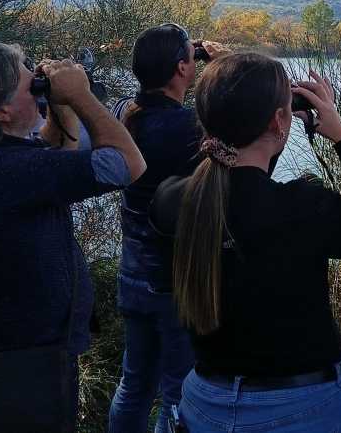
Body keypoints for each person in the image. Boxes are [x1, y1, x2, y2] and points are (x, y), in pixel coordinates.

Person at [149, 53, 341, 433]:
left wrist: (264, 134)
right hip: (304, 411)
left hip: (205, 406)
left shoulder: (173, 202)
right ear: (280, 120)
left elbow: (241, 185)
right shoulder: (302, 207)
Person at [0, 43, 147, 430]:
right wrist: (80, 96)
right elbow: (128, 164)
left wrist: (58, 105)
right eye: (28, 80)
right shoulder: (9, 171)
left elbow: (55, 152)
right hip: (29, 360)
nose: (37, 82)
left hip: (8, 352)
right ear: (0, 110)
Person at [108, 24, 227, 433]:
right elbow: (241, 127)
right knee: (179, 390)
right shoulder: (189, 129)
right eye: (190, 59)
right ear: (181, 68)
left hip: (133, 272)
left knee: (135, 383)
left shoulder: (125, 113)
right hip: (175, 280)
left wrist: (188, 55)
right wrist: (225, 64)